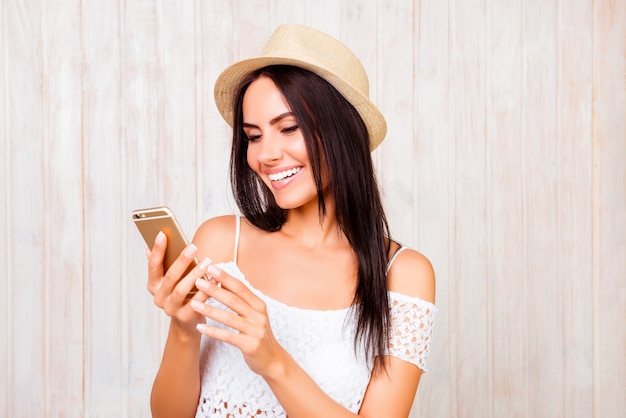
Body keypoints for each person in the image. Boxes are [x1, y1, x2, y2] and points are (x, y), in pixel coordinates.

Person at [145, 24, 437, 418]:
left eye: (288, 128)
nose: (266, 155)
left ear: (343, 131)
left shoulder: (402, 275)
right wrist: (183, 327)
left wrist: (272, 361)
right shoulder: (219, 242)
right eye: (253, 135)